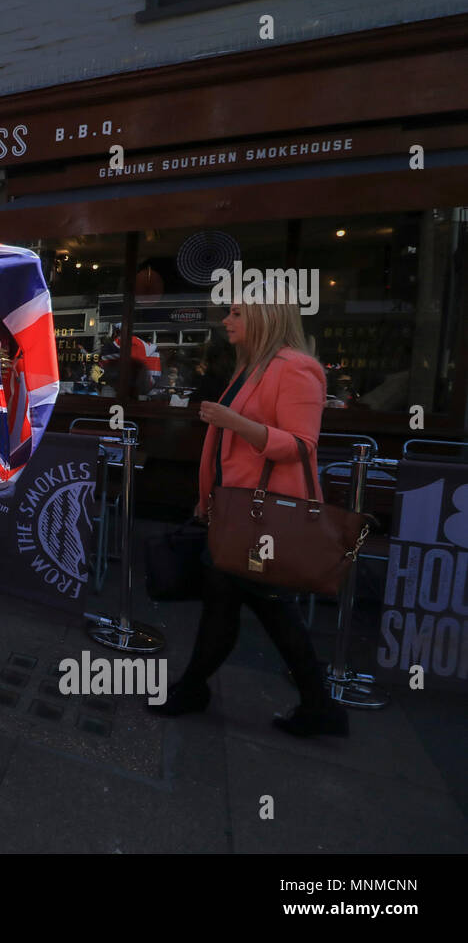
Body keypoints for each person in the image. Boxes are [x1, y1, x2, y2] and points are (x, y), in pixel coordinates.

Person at [158, 300, 349, 737]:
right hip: (240, 511)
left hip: (265, 517)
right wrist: (207, 500)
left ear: (266, 317)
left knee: (267, 608)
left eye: (238, 313)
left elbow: (301, 445)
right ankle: (198, 688)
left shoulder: (296, 368)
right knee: (229, 601)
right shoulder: (256, 366)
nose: (227, 321)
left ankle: (315, 705)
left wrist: (234, 421)